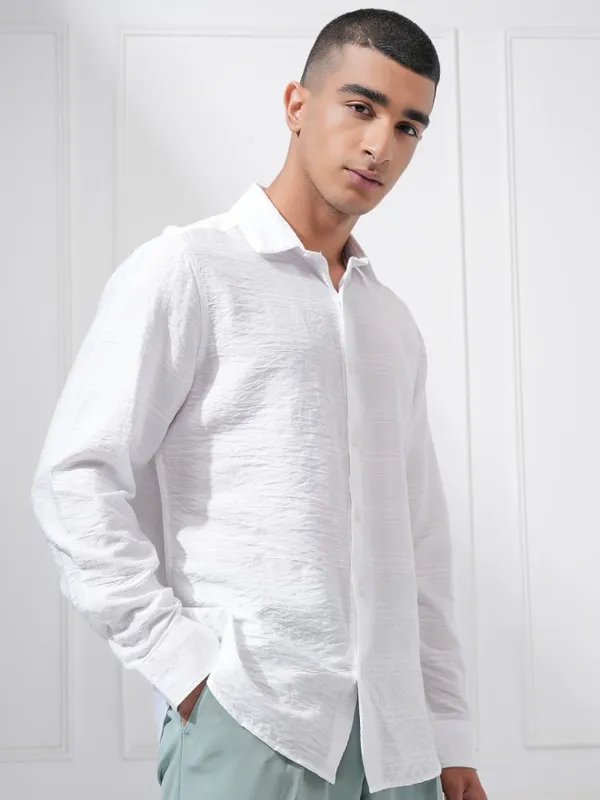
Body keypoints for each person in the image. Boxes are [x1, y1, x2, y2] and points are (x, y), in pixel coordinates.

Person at [31, 8, 488, 800]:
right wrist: (186, 670)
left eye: (408, 126)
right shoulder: (189, 269)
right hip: (252, 725)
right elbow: (75, 478)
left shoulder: (391, 322)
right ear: (297, 105)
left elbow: (422, 546)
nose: (381, 144)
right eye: (361, 107)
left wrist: (449, 735)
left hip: (398, 750)